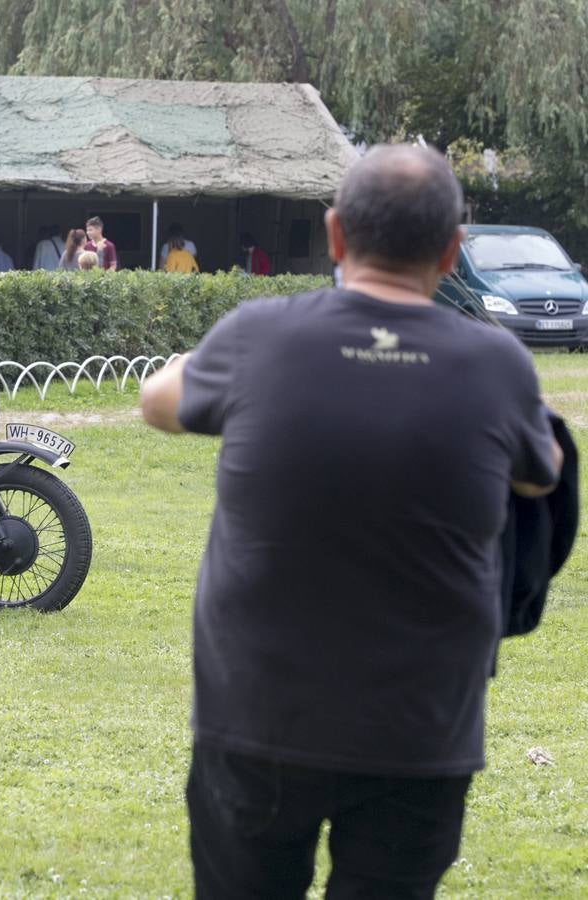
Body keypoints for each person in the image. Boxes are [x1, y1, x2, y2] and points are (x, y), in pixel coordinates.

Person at [139, 144, 562, 898]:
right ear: (453, 250)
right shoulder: (498, 366)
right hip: (421, 727)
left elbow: (156, 402)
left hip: (258, 719)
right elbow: (542, 474)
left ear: (334, 236)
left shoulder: (257, 338)